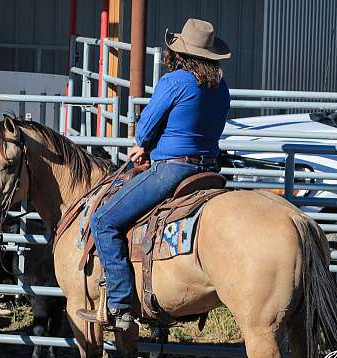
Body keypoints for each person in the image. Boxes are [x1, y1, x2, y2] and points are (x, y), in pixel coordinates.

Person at [77, 18, 232, 330]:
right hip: (210, 171)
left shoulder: (175, 82)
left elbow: (146, 126)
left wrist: (142, 145)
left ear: (181, 53)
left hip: (172, 169)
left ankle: (120, 305)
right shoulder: (221, 88)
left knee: (103, 221)